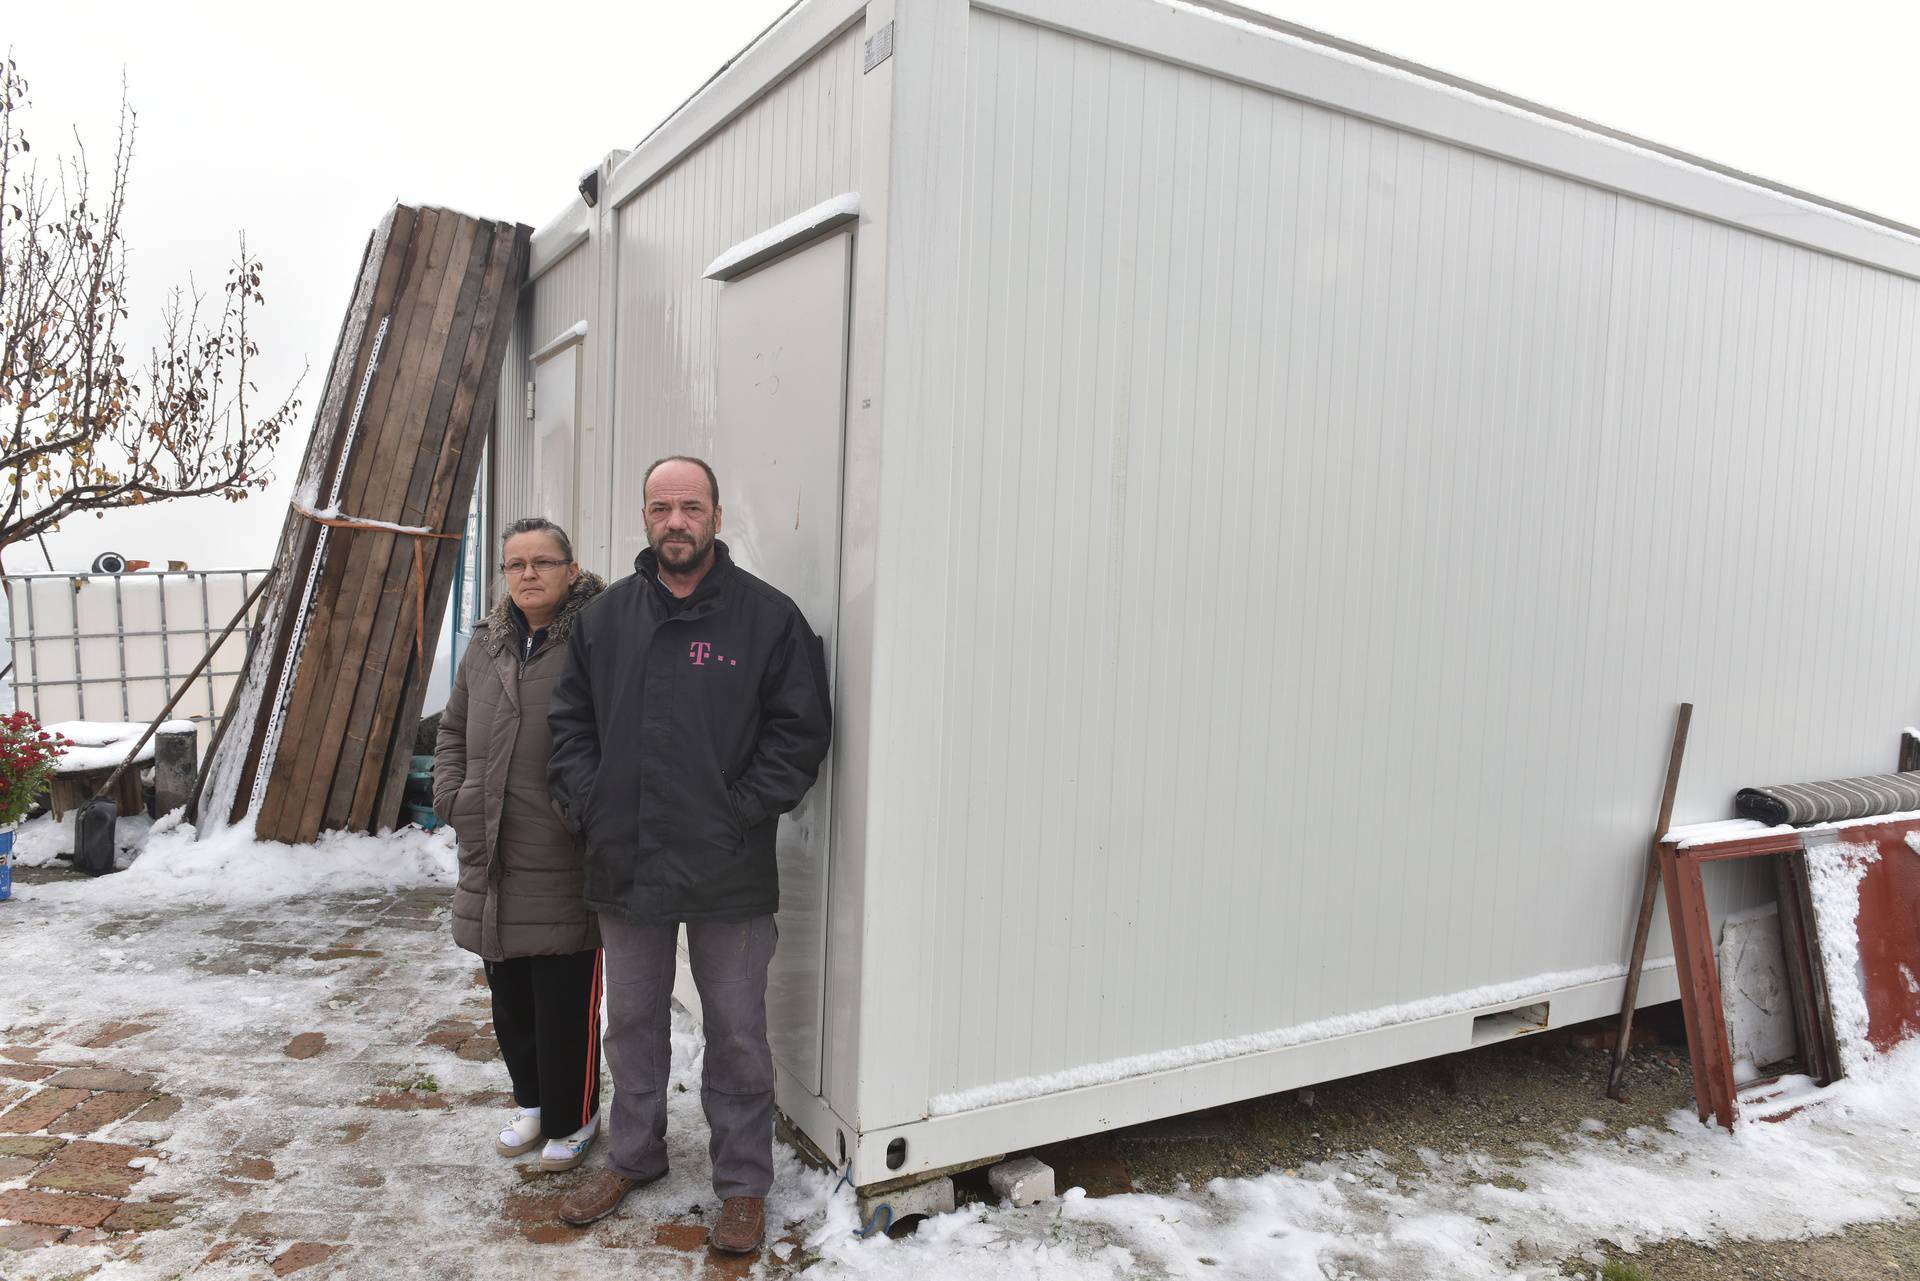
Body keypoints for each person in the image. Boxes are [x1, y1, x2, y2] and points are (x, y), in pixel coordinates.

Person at [547, 456, 832, 1255]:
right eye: (661, 507)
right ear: (644, 515)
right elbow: (570, 725)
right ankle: (634, 1155)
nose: (676, 521)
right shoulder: (603, 620)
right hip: (625, 861)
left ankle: (742, 1183)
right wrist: (590, 800)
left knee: (738, 1029)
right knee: (632, 1021)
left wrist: (738, 810)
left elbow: (800, 733)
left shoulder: (768, 619)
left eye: (691, 507)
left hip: (728, 867)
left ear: (715, 513)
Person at [433, 517, 608, 1173]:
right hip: (490, 845)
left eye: (542, 561)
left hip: (561, 848)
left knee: (565, 996)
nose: (528, 573)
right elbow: (452, 730)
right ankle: (534, 1101)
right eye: (516, 563)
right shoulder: (487, 642)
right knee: (510, 996)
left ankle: (577, 1113)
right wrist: (454, 795)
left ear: (570, 567)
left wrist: (580, 811)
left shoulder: (595, 637)